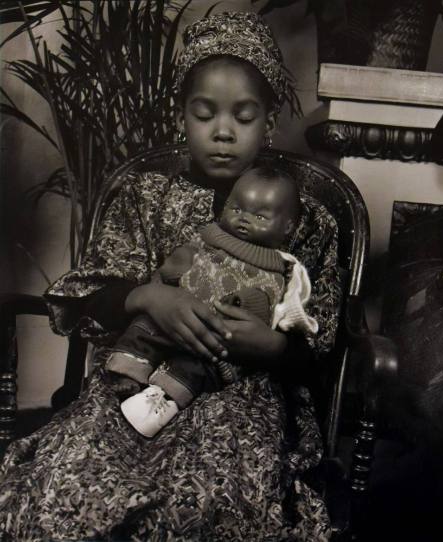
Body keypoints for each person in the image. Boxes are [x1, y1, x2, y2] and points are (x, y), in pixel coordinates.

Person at [0, 11, 341, 540]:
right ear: (181, 116)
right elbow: (88, 296)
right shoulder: (144, 198)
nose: (223, 132)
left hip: (243, 402)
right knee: (64, 489)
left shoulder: (308, 218)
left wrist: (273, 347)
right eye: (204, 114)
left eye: (244, 117)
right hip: (133, 380)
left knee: (211, 499)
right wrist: (150, 298)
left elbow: (324, 338)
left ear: (270, 122)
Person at [106, 166, 319, 437]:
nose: (243, 220)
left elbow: (279, 310)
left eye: (259, 216)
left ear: (288, 226)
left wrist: (267, 334)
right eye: (236, 209)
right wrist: (166, 277)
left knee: (199, 368)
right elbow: (185, 258)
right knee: (145, 326)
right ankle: (128, 369)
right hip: (172, 318)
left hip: (220, 343)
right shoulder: (209, 238)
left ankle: (162, 397)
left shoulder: (283, 271)